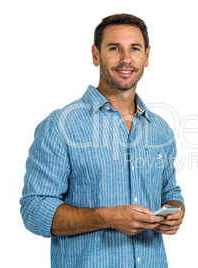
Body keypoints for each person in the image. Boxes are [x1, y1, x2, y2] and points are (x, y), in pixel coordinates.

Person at [20, 13, 185, 267]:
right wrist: (108, 217)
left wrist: (175, 209)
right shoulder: (61, 125)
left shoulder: (160, 129)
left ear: (147, 56)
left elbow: (170, 190)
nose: (126, 59)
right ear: (96, 55)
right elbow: (34, 210)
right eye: (114, 48)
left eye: (135, 49)